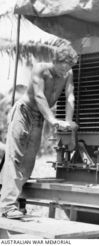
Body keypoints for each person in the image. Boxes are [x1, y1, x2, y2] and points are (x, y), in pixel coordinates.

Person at [0, 44, 78, 219]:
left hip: (39, 117)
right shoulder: (40, 69)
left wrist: (67, 121)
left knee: (28, 161)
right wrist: (52, 120)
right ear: (55, 61)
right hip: (24, 111)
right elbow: (39, 97)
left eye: (68, 69)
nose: (64, 73)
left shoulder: (68, 74)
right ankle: (6, 206)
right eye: (62, 68)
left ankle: (14, 199)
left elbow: (70, 96)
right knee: (15, 157)